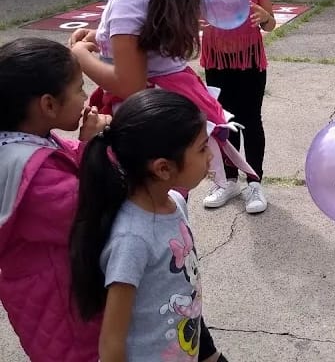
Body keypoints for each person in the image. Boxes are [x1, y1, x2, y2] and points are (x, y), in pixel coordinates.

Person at [68, 0, 256, 192]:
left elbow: (130, 83)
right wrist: (102, 39)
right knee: (168, 203)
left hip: (144, 126)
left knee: (139, 203)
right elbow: (151, 46)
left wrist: (80, 56)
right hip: (171, 118)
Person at [69, 90, 221, 362]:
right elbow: (111, 344)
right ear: (163, 169)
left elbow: (181, 289)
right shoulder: (132, 240)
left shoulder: (175, 202)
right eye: (201, 148)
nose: (210, 155)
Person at [0, 37, 108, 361]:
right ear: (48, 105)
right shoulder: (33, 176)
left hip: (52, 298)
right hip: (65, 316)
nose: (86, 97)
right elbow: (93, 213)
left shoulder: (26, 141)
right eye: (79, 89)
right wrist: (92, 148)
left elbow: (68, 157)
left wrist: (88, 142)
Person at [200, 0, 275, 214]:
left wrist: (263, 16)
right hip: (216, 61)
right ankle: (228, 180)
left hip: (251, 62)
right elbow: (190, 13)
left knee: (251, 120)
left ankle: (254, 181)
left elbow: (270, 25)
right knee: (222, 122)